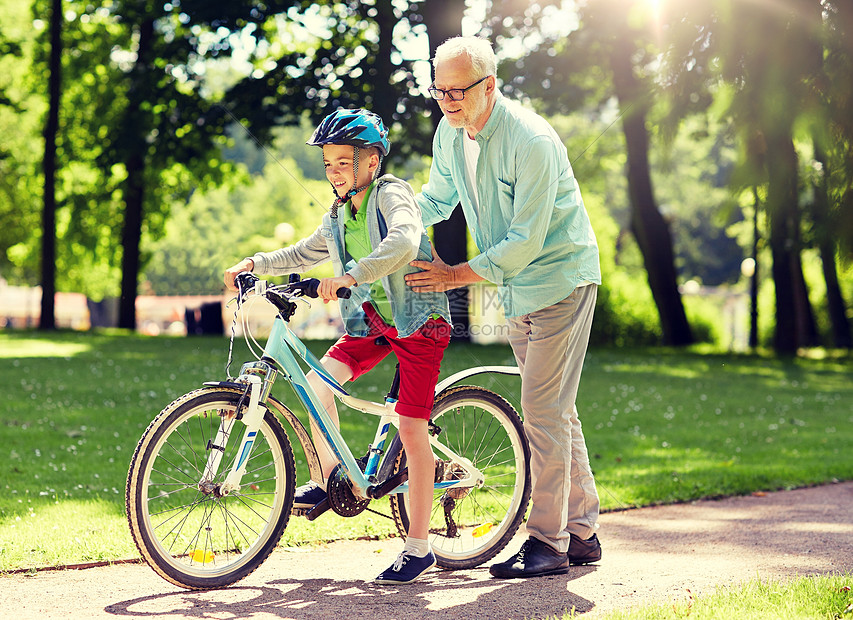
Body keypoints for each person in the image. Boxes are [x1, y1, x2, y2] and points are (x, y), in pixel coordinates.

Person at [224, 108, 452, 585]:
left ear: (371, 162)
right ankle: (333, 481)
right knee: (316, 384)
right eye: (328, 164)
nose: (333, 173)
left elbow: (406, 239)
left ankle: (419, 547)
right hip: (373, 321)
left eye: (343, 163)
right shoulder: (339, 212)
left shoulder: (392, 193)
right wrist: (257, 261)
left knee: (411, 427)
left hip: (419, 321)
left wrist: (351, 274)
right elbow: (307, 251)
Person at [405, 36, 603, 579]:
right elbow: (437, 199)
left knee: (543, 411)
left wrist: (452, 276)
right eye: (438, 89)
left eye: (458, 90)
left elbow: (524, 242)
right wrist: (389, 219)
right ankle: (583, 532)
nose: (446, 100)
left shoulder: (531, 140)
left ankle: (548, 542)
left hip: (560, 281)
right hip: (516, 290)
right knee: (556, 411)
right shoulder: (451, 132)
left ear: (489, 85)